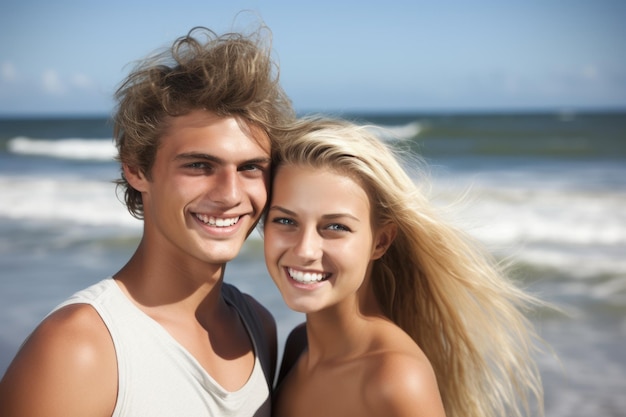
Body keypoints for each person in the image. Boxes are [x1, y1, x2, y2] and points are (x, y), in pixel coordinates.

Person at [0, 24, 294, 416]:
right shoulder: (80, 350)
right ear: (137, 169)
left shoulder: (258, 327)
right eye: (199, 165)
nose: (230, 194)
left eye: (250, 167)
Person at [263, 116, 545, 417]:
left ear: (380, 242)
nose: (305, 250)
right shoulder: (297, 347)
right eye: (285, 221)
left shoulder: (396, 378)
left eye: (335, 226)